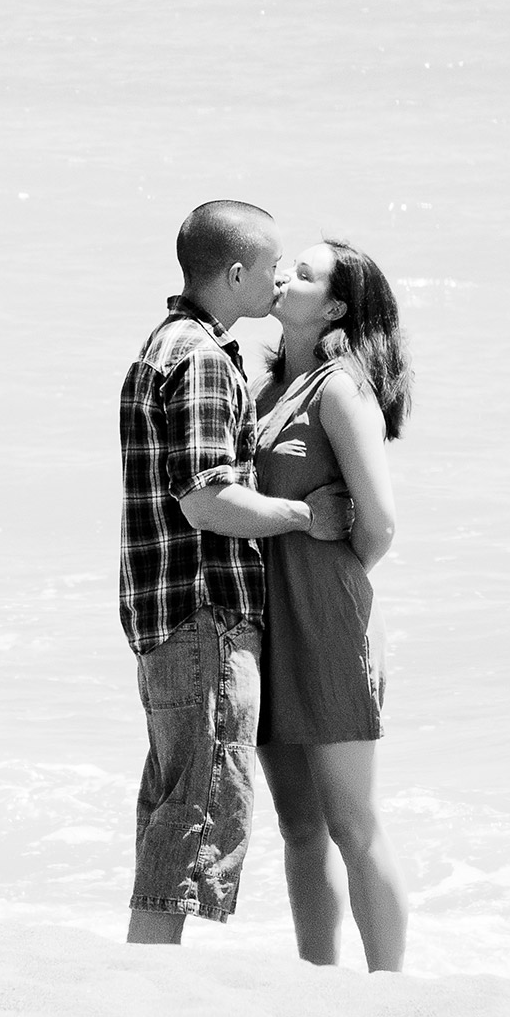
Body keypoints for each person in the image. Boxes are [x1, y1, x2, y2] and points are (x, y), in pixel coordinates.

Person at [119, 200, 353, 945]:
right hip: (205, 612)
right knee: (195, 814)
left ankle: (139, 974)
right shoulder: (206, 361)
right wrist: (302, 518)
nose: (281, 275)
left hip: (165, 614)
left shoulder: (162, 346)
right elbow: (206, 500)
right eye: (273, 263)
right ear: (236, 272)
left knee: (172, 802)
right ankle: (148, 986)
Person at [251, 237, 413, 971]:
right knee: (298, 825)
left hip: (324, 617)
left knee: (352, 821)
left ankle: (391, 994)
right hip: (265, 619)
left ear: (337, 307)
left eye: (305, 275)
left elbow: (377, 521)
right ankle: (317, 984)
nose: (284, 276)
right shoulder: (264, 391)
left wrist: (342, 596)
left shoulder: (340, 388)